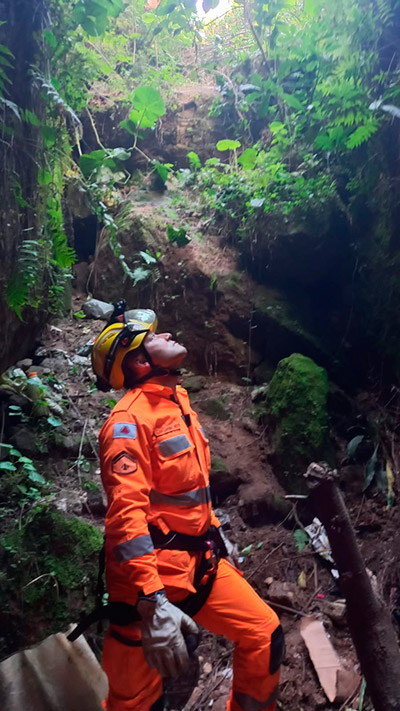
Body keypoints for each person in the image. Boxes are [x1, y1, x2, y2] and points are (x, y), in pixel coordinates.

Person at [91, 306, 284, 711]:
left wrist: (214, 532)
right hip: (149, 585)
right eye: (155, 337)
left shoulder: (176, 400)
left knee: (265, 635)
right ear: (141, 361)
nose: (169, 334)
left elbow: (190, 491)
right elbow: (126, 518)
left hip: (198, 564)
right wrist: (152, 601)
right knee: (132, 702)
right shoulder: (127, 422)